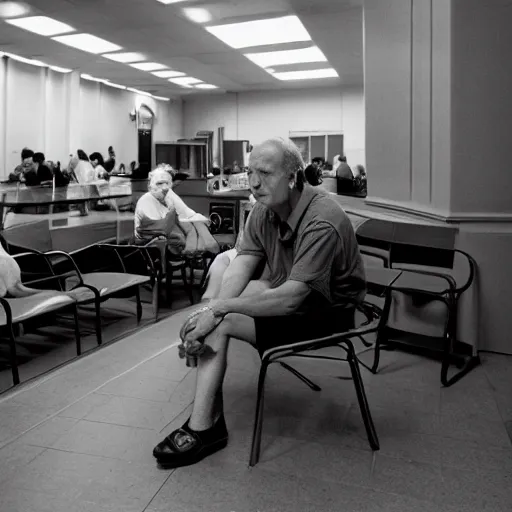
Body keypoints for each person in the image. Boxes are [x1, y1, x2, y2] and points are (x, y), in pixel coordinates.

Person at [152, 137, 367, 468]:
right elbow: (243, 263)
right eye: (250, 172)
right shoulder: (263, 211)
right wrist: (209, 312)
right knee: (210, 318)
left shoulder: (322, 218)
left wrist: (220, 311)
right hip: (289, 293)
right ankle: (209, 417)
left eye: (265, 173)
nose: (253, 183)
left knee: (220, 322)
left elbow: (293, 298)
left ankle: (203, 428)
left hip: (328, 312)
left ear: (293, 177)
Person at [134, 168, 219, 256]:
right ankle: (202, 247)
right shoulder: (146, 200)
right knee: (189, 225)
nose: (164, 187)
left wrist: (199, 223)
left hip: (170, 235)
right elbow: (162, 228)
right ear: (150, 186)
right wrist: (172, 211)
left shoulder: (168, 194)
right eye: (159, 183)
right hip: (152, 243)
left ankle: (201, 246)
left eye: (167, 183)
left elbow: (186, 212)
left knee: (197, 223)